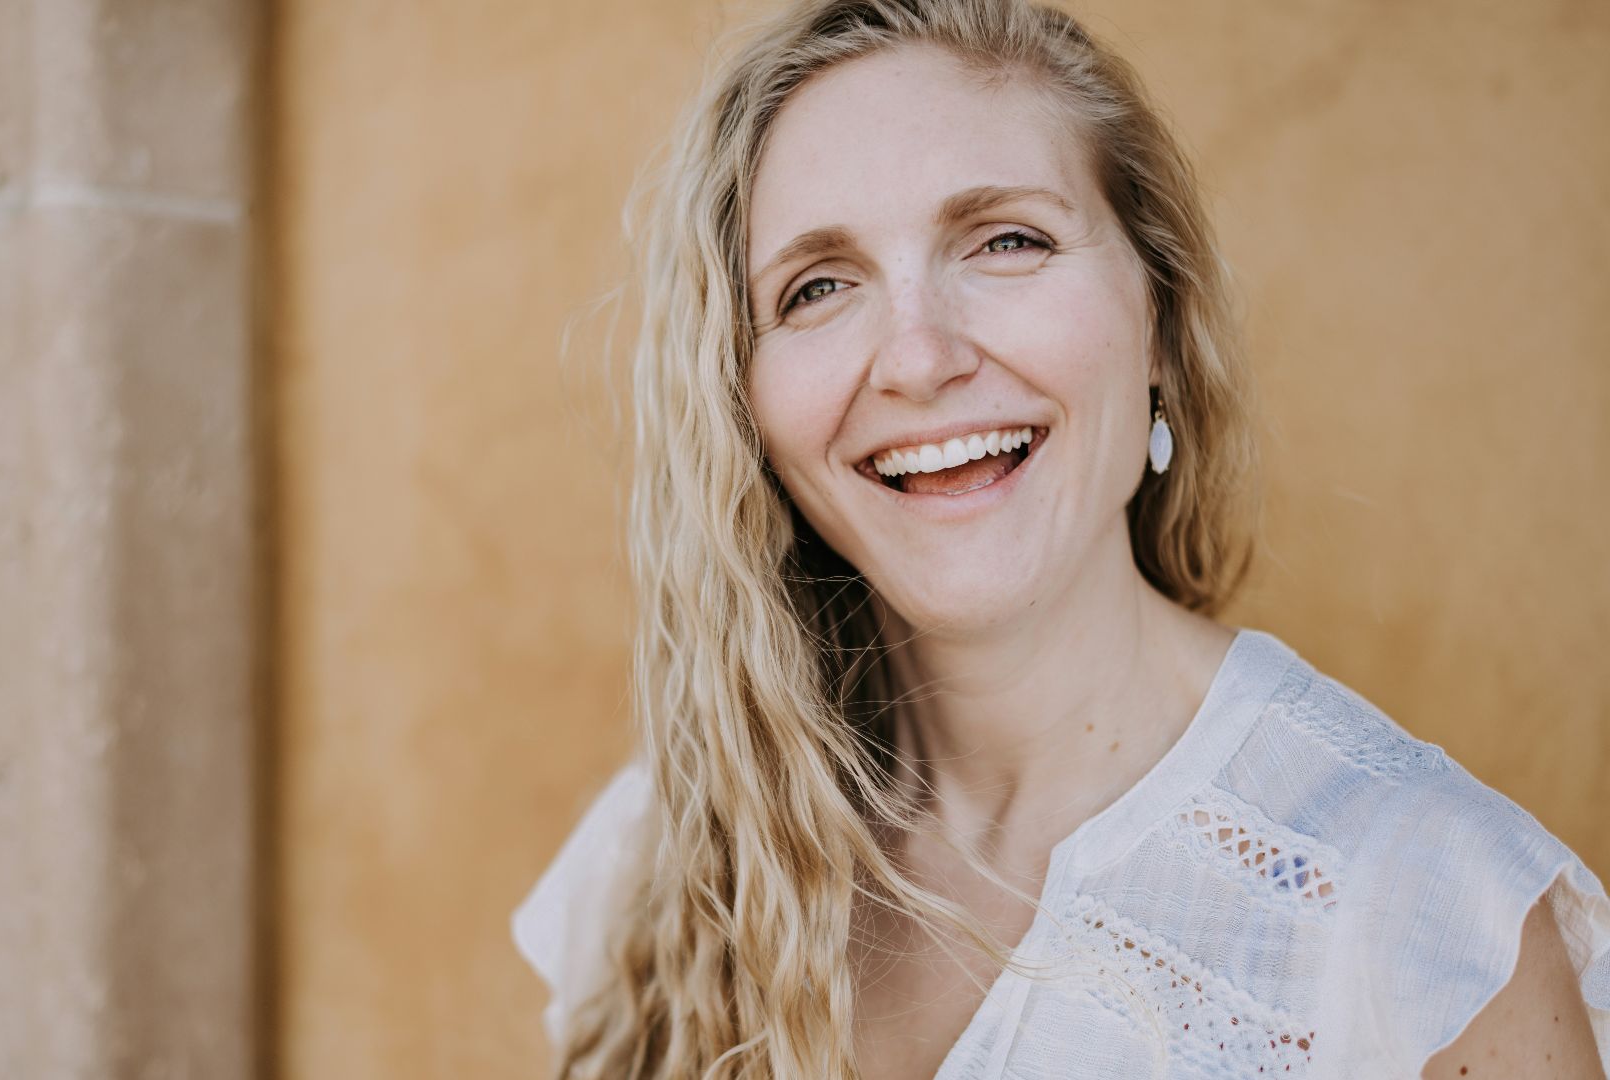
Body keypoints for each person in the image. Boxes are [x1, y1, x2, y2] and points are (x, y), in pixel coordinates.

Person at [512, 1, 1610, 1077]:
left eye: (1005, 240)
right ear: (744, 407)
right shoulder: (669, 855)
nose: (918, 357)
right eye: (819, 287)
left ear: (1162, 328)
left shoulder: (1420, 916)